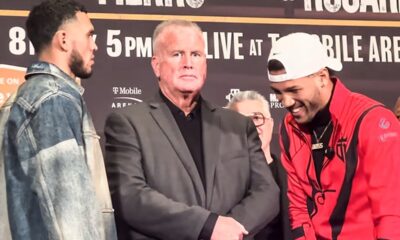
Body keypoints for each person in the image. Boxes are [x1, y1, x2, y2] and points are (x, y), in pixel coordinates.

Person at [104, 19, 280, 240]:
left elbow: (267, 193)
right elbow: (130, 197)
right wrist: (206, 227)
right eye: (177, 54)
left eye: (196, 54)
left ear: (205, 63)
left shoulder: (239, 126)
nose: (188, 63)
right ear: (156, 65)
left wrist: (230, 230)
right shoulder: (127, 123)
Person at [266, 32, 400, 239]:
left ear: (321, 77)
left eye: (294, 90)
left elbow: (391, 212)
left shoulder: (373, 121)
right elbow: (298, 207)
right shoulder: (288, 127)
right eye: (278, 92)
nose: (286, 101)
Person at [2, 0, 117, 239]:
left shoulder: (19, 99)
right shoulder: (53, 99)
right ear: (63, 40)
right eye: (89, 35)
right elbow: (70, 212)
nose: (95, 46)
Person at [227, 90, 292, 240]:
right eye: (240, 120)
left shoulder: (297, 178)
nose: (250, 126)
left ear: (271, 124)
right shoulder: (218, 181)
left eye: (257, 118)